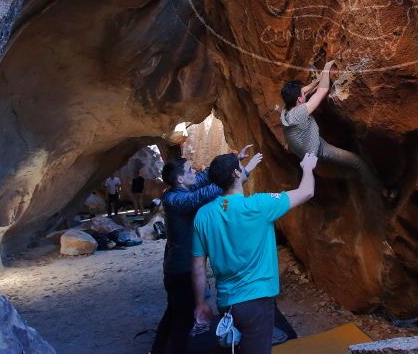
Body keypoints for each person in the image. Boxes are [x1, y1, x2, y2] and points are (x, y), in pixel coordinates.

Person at [191, 152, 318, 354]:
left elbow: (198, 266)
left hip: (226, 302)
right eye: (240, 166)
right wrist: (308, 168)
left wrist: (200, 303)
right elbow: (307, 191)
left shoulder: (203, 214)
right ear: (235, 173)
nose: (243, 169)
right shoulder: (259, 205)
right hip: (256, 302)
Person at [152, 149, 262, 354]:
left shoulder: (179, 191)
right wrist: (241, 173)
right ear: (179, 179)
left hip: (178, 266)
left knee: (174, 313)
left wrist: (232, 162)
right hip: (181, 269)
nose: (194, 172)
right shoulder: (175, 200)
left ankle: (158, 349)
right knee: (181, 320)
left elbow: (204, 178)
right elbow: (203, 195)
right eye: (189, 170)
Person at [280, 60, 381, 194]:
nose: (305, 93)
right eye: (302, 95)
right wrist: (327, 68)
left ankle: (357, 177)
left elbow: (304, 90)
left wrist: (319, 78)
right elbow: (322, 92)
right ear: (299, 100)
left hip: (305, 150)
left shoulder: (286, 110)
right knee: (357, 163)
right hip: (318, 150)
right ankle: (383, 191)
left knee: (348, 168)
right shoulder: (299, 113)